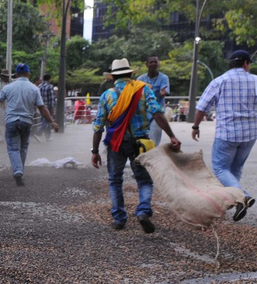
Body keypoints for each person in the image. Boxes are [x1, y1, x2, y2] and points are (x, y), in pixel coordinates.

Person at [91, 58, 181, 232]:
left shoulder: (107, 95)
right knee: (144, 180)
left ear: (112, 77)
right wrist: (172, 136)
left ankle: (119, 218)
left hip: (117, 144)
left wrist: (95, 151)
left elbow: (98, 126)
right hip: (140, 143)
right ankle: (143, 211)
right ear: (130, 74)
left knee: (115, 180)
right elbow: (157, 113)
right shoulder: (143, 89)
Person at [192, 50, 257, 221]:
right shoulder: (255, 81)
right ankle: (234, 202)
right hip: (250, 134)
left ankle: (242, 196)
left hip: (227, 134)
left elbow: (201, 107)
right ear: (245, 64)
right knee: (235, 169)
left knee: (221, 169)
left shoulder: (219, 81)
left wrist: (195, 126)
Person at [0, 63, 58, 186]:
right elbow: (42, 107)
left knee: (13, 148)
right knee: (23, 147)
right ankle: (20, 171)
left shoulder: (9, 87)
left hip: (12, 121)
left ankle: (17, 171)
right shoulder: (34, 88)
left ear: (16, 74)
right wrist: (52, 121)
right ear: (28, 73)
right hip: (26, 122)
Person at [137, 56, 170, 145]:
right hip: (143, 113)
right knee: (141, 139)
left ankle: (152, 156)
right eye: (151, 62)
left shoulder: (164, 78)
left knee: (153, 139)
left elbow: (165, 91)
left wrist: (163, 93)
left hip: (157, 113)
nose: (153, 64)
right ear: (146, 65)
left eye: (155, 62)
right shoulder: (140, 79)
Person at [38, 74, 56, 141]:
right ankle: (38, 133)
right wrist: (52, 108)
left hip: (40, 106)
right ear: (49, 79)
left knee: (44, 121)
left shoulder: (39, 86)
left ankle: (48, 137)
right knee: (47, 121)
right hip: (47, 107)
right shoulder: (49, 86)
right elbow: (51, 98)